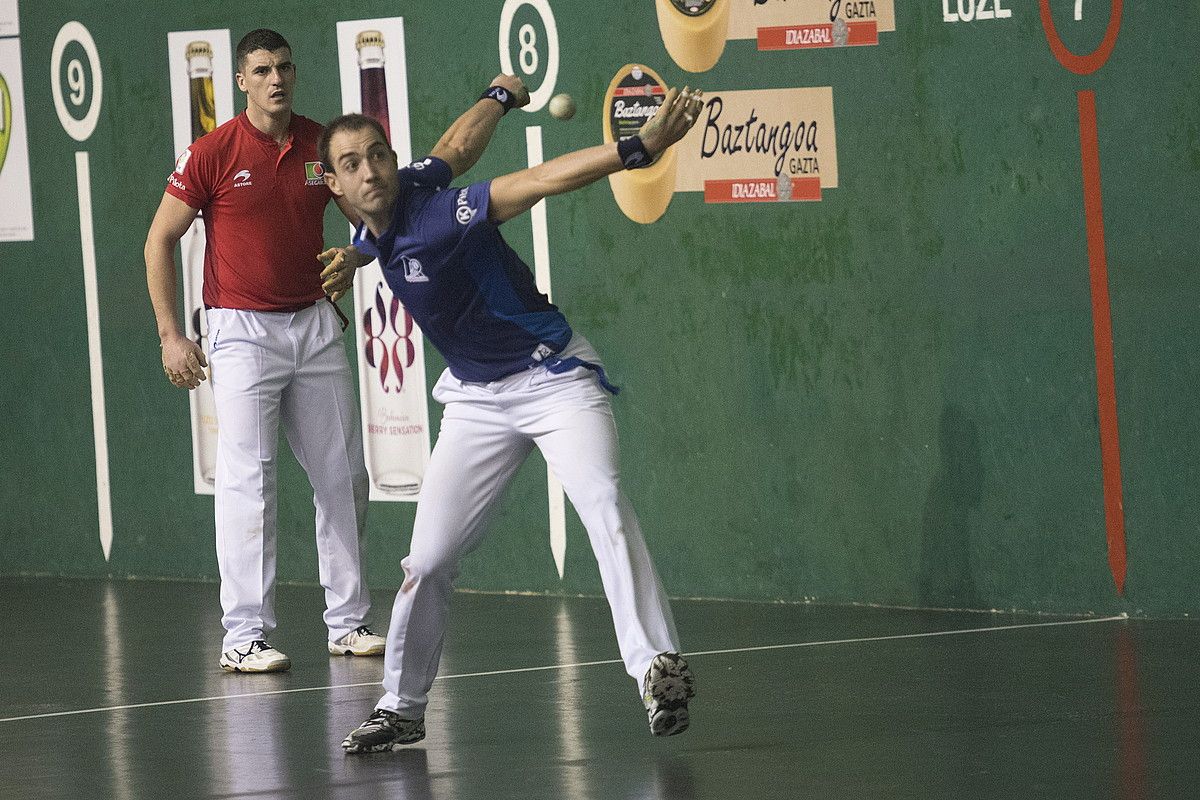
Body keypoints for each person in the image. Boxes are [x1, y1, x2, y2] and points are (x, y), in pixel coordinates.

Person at [319, 83, 705, 752]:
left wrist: (638, 148)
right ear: (335, 185)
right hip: (475, 399)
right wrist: (499, 95)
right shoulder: (384, 208)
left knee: (603, 502)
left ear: (389, 159)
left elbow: (537, 181)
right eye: (352, 163)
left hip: (553, 378)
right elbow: (455, 147)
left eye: (379, 155)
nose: (370, 170)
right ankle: (401, 707)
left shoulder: (440, 214)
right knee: (429, 559)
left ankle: (657, 668)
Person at [144, 27, 530, 673]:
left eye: (285, 67)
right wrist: (170, 335)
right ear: (242, 80)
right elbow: (159, 240)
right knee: (249, 482)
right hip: (240, 332)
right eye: (263, 69)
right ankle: (244, 636)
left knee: (344, 478)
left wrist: (356, 254)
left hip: (315, 327)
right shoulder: (212, 153)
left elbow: (376, 206)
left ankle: (348, 623)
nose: (277, 79)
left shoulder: (321, 151)